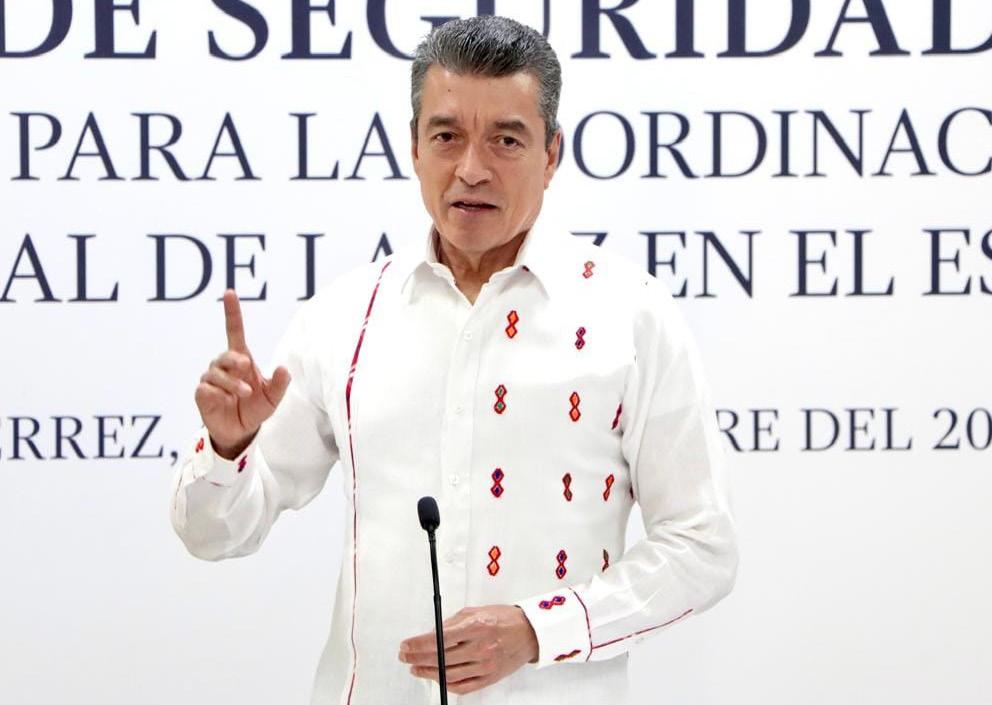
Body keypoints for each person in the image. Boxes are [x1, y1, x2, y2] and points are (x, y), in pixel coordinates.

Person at [169, 15, 738, 705]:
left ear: (552, 154)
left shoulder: (630, 317)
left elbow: (702, 547)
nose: (472, 168)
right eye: (446, 137)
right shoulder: (345, 317)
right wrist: (229, 448)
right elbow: (214, 534)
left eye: (506, 139)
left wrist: (541, 629)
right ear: (414, 147)